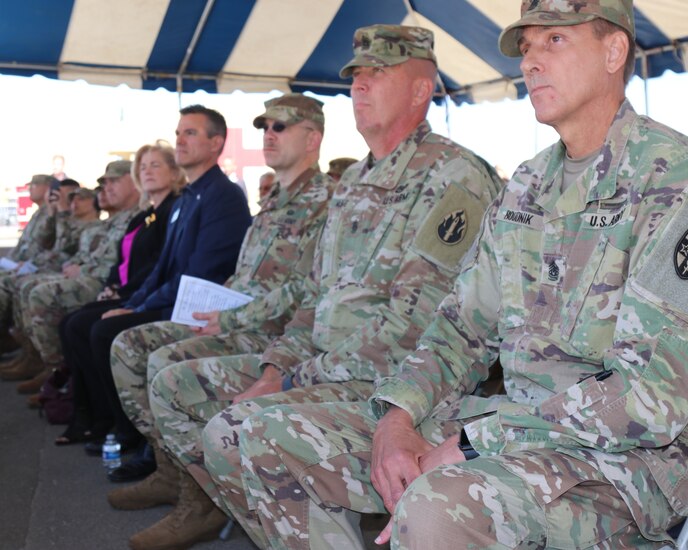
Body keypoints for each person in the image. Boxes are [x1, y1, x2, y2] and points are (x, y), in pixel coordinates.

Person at [236, 2, 688, 548]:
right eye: (527, 47)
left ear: (614, 51)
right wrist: (399, 416)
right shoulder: (528, 185)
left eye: (554, 41)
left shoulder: (677, 182)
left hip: (632, 462)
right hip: (513, 427)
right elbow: (460, 327)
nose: (531, 62)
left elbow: (648, 400)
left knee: (438, 507)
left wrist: (471, 444)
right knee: (258, 435)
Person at [147, 25, 501, 550]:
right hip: (324, 362)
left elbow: (411, 327)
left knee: (233, 431)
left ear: (422, 89)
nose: (360, 86)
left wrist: (292, 380)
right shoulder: (354, 180)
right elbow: (315, 296)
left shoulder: (454, 177)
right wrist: (275, 367)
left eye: (379, 73)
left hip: (393, 381)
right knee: (174, 386)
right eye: (356, 75)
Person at [104, 94, 332, 519]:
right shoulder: (273, 203)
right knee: (127, 345)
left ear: (313, 137)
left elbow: (304, 290)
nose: (268, 135)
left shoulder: (326, 202)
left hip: (276, 335)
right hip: (237, 319)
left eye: (280, 127)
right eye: (264, 127)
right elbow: (243, 275)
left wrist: (228, 317)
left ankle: (202, 499)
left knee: (161, 361)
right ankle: (173, 469)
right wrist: (209, 305)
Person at [69, 105, 251, 459]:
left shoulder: (222, 196)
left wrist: (137, 307)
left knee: (104, 331)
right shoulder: (190, 198)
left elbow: (198, 275)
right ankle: (117, 428)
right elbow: (162, 268)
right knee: (85, 321)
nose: (180, 140)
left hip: (197, 309)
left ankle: (141, 443)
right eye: (179, 132)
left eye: (191, 133)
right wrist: (134, 302)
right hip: (174, 298)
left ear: (216, 144)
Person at [53, 142, 183, 446]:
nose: (147, 172)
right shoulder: (145, 215)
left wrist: (126, 294)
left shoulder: (174, 210)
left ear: (174, 172)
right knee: (71, 323)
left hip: (151, 296)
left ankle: (119, 425)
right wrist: (114, 286)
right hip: (133, 292)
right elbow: (123, 260)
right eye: (142, 167)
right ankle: (90, 415)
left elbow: (158, 265)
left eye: (155, 165)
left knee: (91, 327)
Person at [0, 162, 141, 384]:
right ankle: (35, 356)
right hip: (88, 275)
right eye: (105, 184)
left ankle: (55, 370)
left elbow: (115, 264)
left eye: (114, 181)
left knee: (38, 292)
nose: (107, 189)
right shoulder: (114, 220)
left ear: (134, 181)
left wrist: (79, 267)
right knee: (23, 284)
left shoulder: (137, 218)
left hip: (105, 283)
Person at [0, 174, 56, 353]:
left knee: (15, 286)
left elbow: (49, 246)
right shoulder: (37, 214)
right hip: (19, 265)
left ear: (48, 188)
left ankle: (30, 353)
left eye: (35, 184)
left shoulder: (51, 214)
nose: (31, 188)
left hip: (37, 268)